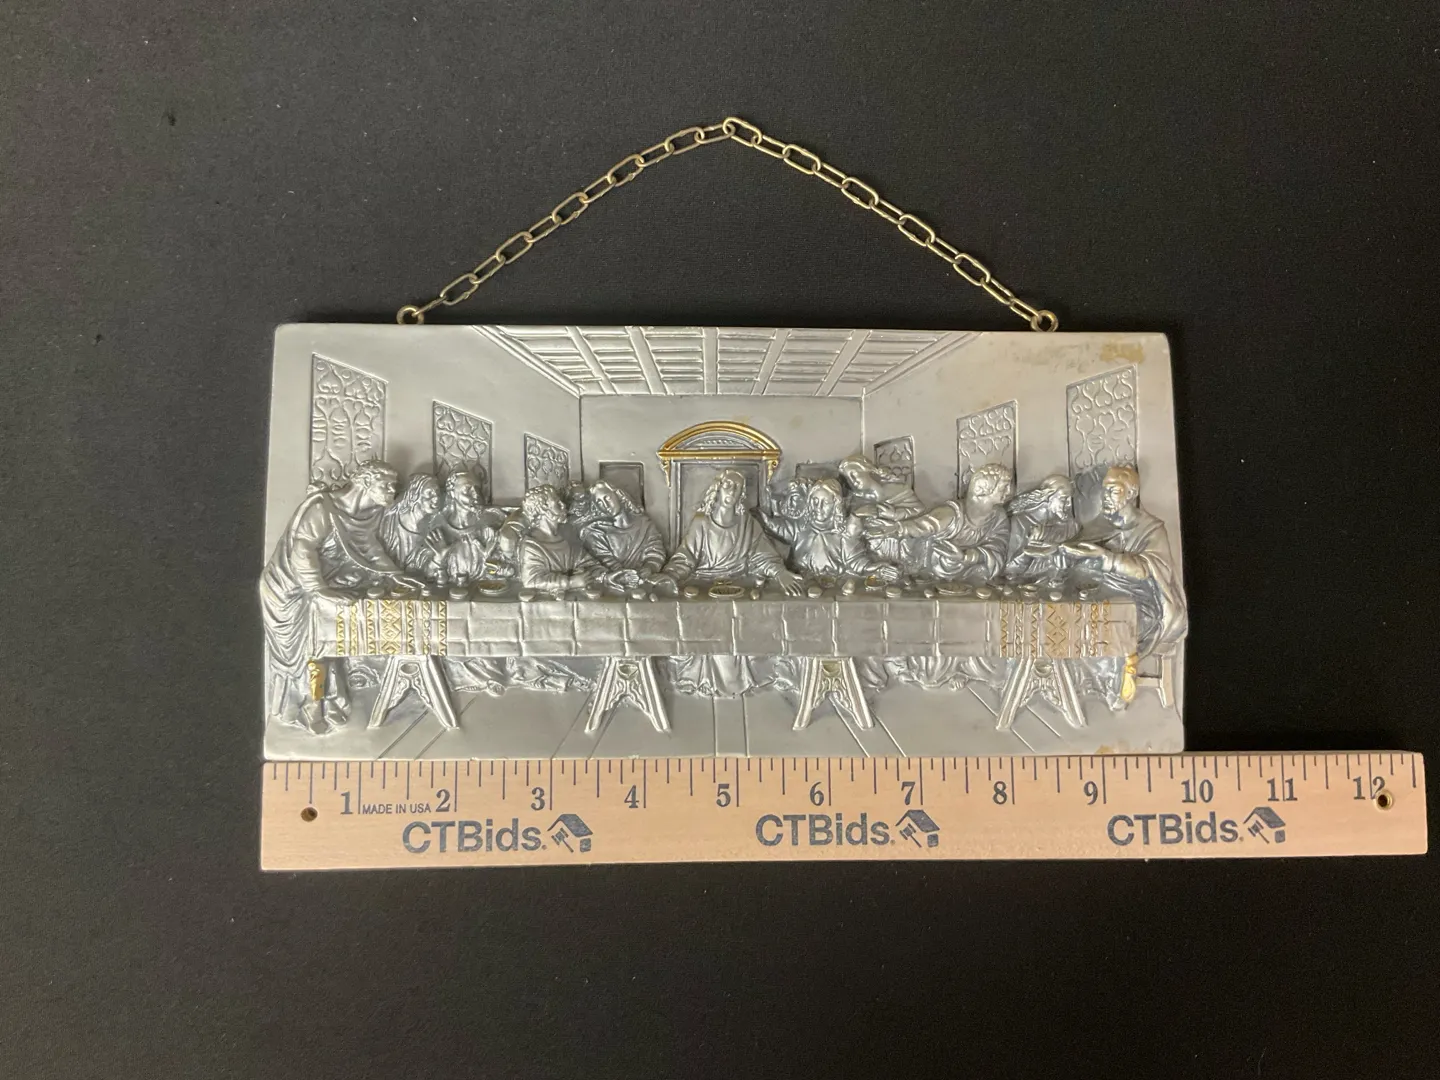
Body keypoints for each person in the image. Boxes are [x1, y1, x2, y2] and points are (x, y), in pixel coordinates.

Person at [259, 461, 420, 729]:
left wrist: (394, 574)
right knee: (309, 651)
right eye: (386, 485)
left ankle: (323, 703)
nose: (392, 491)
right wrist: (319, 590)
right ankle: (305, 707)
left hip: (321, 589)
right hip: (288, 591)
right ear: (366, 482)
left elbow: (368, 546)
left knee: (325, 646)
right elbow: (303, 549)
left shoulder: (368, 514)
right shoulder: (322, 509)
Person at [1061, 465, 1187, 656]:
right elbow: (1079, 551)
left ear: (1131, 493)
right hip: (1098, 590)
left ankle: (1110, 671)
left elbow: (1149, 569)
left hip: (1138, 598)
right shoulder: (1100, 524)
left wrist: (1106, 558)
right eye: (1105, 490)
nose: (1106, 496)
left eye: (1114, 491)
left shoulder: (1150, 529)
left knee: (1107, 625)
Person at [658, 469, 803, 594]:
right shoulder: (701, 523)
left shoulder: (747, 523)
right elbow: (686, 558)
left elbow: (763, 556)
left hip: (741, 584)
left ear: (742, 494)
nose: (732, 491)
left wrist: (780, 573)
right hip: (703, 583)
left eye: (737, 487)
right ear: (718, 489)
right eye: (727, 485)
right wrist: (671, 575)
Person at [867, 462, 1014, 583]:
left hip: (972, 571)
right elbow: (922, 525)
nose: (1009, 492)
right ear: (984, 489)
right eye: (1004, 487)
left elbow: (998, 548)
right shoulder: (951, 515)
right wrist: (897, 527)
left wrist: (967, 557)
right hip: (937, 566)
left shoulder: (998, 517)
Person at [774, 478, 901, 582]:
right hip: (801, 582)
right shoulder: (799, 528)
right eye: (815, 501)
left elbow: (856, 562)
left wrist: (876, 569)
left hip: (833, 584)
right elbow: (773, 527)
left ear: (836, 505)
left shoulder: (843, 533)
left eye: (825, 503)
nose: (818, 507)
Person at [837, 454, 928, 569]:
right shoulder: (855, 500)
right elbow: (850, 534)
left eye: (854, 474)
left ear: (867, 470)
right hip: (873, 550)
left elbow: (919, 511)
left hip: (901, 545)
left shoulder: (897, 490)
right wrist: (857, 516)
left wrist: (895, 514)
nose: (852, 481)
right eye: (848, 478)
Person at [579, 480, 666, 589]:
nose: (605, 505)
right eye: (599, 502)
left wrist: (650, 567)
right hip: (613, 588)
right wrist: (622, 575)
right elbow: (602, 561)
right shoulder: (595, 532)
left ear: (618, 495)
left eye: (607, 498)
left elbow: (655, 551)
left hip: (646, 584)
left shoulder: (645, 525)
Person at [516, 485, 599, 595]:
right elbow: (531, 580)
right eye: (557, 503)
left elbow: (587, 563)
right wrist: (570, 582)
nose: (563, 505)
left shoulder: (566, 537)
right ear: (543, 510)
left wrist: (605, 576)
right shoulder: (531, 546)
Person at [434, 466, 503, 586]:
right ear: (452, 493)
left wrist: (490, 557)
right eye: (467, 489)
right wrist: (438, 559)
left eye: (477, 489)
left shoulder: (487, 526)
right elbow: (427, 573)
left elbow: (502, 569)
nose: (475, 495)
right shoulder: (439, 528)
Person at [1004, 474, 1077, 585]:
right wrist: (1029, 552)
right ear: (1048, 498)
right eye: (1063, 499)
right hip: (1022, 586)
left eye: (1070, 499)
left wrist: (1059, 552)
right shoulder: (1019, 523)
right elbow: (1008, 570)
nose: (1069, 504)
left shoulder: (1070, 525)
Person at [378, 472, 444, 581]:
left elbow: (427, 575)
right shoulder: (389, 522)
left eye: (437, 492)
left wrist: (438, 558)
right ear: (414, 495)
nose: (436, 498)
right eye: (429, 493)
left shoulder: (435, 530)